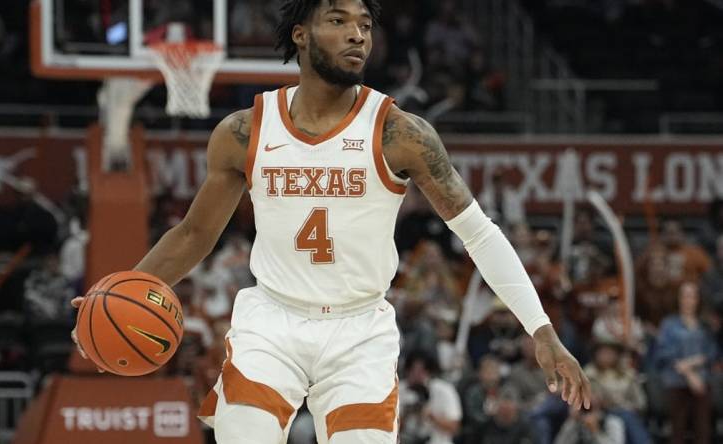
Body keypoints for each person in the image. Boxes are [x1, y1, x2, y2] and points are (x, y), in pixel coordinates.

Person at [71, 1, 591, 442]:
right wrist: (117, 292)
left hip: (359, 329)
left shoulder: (400, 132)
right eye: (338, 21)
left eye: (364, 24)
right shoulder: (244, 131)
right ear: (301, 34)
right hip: (271, 321)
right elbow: (193, 234)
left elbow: (478, 232)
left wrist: (541, 330)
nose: (357, 35)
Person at [654, 281, 718, 444]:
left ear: (698, 299)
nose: (688, 300)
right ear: (679, 299)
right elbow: (664, 353)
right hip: (676, 379)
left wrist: (693, 363)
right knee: (678, 430)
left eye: (692, 296)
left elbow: (712, 352)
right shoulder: (669, 324)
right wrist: (689, 373)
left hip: (702, 380)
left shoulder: (705, 325)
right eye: (685, 296)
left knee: (703, 429)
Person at [399, 351, 462, 444]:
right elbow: (388, 430)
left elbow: (455, 428)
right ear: (407, 370)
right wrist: (406, 414)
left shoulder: (444, 390)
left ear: (429, 371)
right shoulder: (399, 390)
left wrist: (431, 416)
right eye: (413, 370)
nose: (417, 375)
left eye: (422, 371)